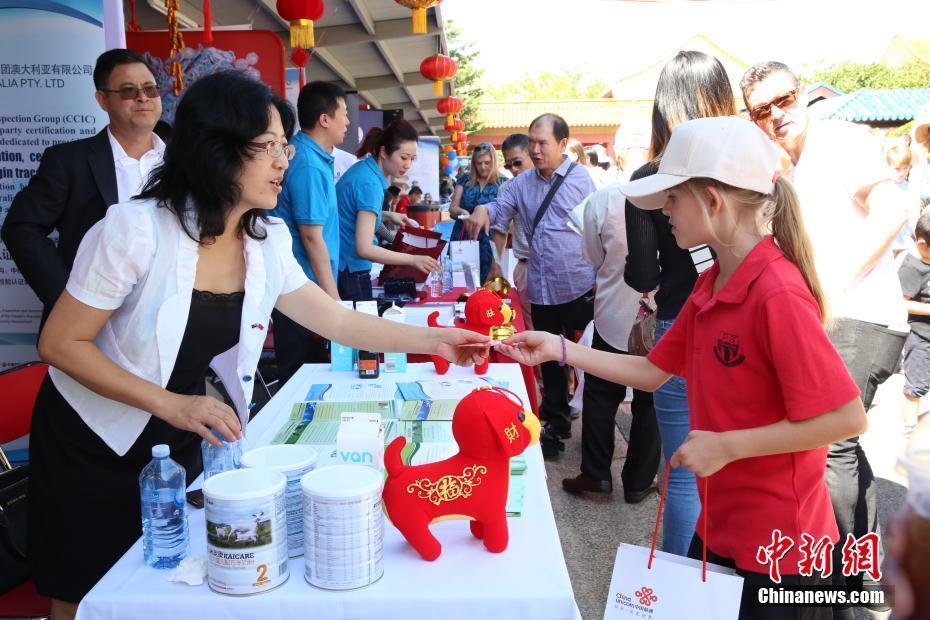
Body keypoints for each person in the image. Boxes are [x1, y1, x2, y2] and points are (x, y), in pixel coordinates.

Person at [27, 72, 489, 620]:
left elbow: (337, 321)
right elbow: (60, 342)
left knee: (166, 588)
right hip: (92, 440)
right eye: (268, 146)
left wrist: (437, 340)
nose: (283, 161)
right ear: (217, 150)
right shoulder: (133, 230)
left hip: (178, 438)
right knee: (84, 595)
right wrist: (173, 404)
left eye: (284, 146)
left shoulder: (264, 240)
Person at [498, 117, 868, 620]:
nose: (664, 212)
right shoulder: (711, 283)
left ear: (712, 200)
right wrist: (559, 349)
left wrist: (728, 445)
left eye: (672, 198)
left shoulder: (776, 292)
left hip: (781, 550)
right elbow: (653, 371)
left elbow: (846, 417)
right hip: (719, 527)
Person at [742, 61, 909, 615]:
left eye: (784, 99)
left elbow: (894, 210)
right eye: (761, 109)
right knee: (843, 448)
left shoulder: (841, 141)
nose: (777, 114)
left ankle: (832, 588)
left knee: (825, 443)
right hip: (830, 318)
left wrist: (830, 288)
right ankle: (864, 577)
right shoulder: (783, 164)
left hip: (858, 316)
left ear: (804, 95)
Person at [623, 50, 736, 556]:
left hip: (679, 327)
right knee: (738, 470)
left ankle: (679, 592)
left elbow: (643, 275)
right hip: (743, 327)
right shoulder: (744, 163)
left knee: (685, 473)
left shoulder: (651, 176)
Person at [2, 49, 164, 325]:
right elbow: (21, 227)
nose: (142, 97)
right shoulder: (69, 160)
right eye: (128, 90)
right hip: (90, 325)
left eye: (150, 88)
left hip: (163, 321)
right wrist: (68, 298)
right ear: (103, 100)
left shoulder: (184, 163)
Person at [467, 114, 596, 458]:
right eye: (532, 142)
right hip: (541, 286)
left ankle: (593, 426)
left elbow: (600, 228)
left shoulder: (582, 180)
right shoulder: (521, 185)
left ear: (562, 144)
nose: (536, 150)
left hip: (579, 283)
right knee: (549, 358)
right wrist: (483, 209)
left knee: (586, 358)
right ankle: (556, 421)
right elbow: (500, 209)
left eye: (543, 143)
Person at [561, 180, 661, 500]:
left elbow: (593, 255)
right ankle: (639, 480)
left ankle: (596, 474)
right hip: (661, 315)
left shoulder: (604, 199)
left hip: (614, 310)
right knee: (650, 400)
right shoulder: (683, 195)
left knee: (601, 394)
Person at [270, 81, 349, 381]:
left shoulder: (314, 157)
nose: (348, 120)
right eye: (343, 113)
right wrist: (333, 303)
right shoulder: (308, 164)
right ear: (325, 119)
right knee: (304, 377)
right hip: (304, 290)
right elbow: (311, 236)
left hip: (307, 287)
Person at [336, 120, 439, 301]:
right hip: (350, 272)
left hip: (345, 267)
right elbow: (364, 248)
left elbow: (353, 213)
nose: (408, 165)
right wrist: (413, 260)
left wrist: (388, 215)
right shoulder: (370, 183)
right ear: (384, 152)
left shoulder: (364, 171)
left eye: (412, 159)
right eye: (404, 157)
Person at [495, 133, 536, 330]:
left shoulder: (555, 183)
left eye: (518, 162)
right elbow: (501, 229)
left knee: (563, 329)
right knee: (531, 324)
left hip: (558, 267)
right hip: (526, 266)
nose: (514, 170)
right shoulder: (507, 188)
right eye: (509, 165)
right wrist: (496, 263)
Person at [449, 142, 504, 282]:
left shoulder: (503, 182)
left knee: (489, 282)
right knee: (461, 280)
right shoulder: (465, 179)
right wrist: (464, 213)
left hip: (489, 239)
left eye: (487, 162)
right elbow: (452, 208)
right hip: (463, 236)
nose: (483, 167)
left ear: (494, 161)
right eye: (479, 163)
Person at [898, 210, 930, 438]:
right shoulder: (911, 267)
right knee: (915, 386)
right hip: (921, 336)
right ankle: (910, 429)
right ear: (922, 243)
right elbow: (902, 303)